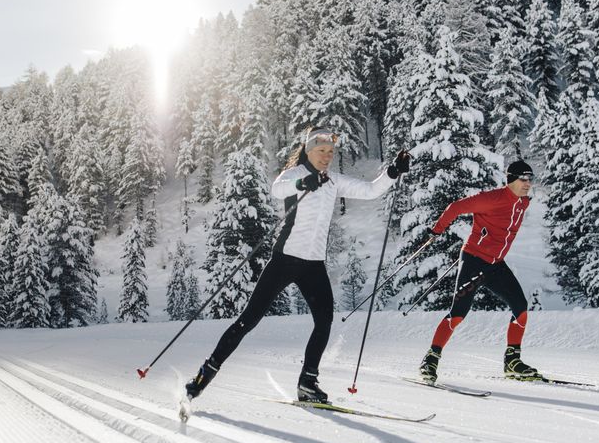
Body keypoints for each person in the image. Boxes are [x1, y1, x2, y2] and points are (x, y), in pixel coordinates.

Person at [187, 127, 411, 404]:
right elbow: (277, 189)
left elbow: (370, 190)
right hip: (285, 260)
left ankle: (307, 383)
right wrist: (303, 184)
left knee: (324, 320)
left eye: (331, 152)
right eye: (322, 151)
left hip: (313, 265)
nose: (327, 156)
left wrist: (392, 172)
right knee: (248, 320)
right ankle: (205, 373)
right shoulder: (294, 175)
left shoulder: (333, 181)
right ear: (308, 150)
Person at [418, 159, 545, 383]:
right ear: (511, 180)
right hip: (474, 261)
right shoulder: (492, 199)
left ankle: (512, 362)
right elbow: (456, 207)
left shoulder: (522, 203)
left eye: (530, 179)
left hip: (495, 264)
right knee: (458, 313)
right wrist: (436, 230)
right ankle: (430, 359)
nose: (527, 183)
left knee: (521, 308)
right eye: (523, 179)